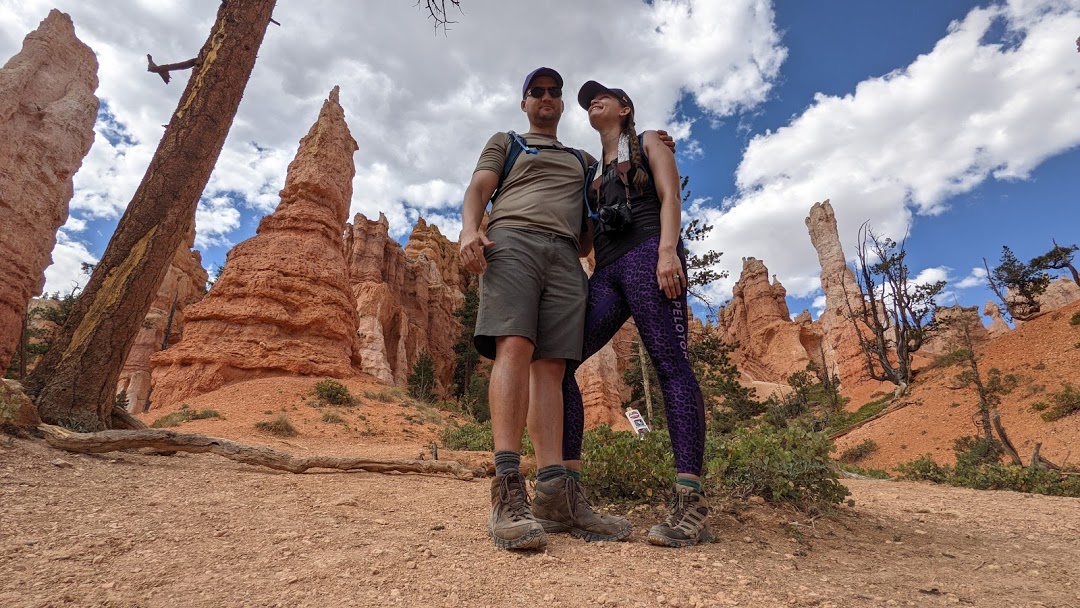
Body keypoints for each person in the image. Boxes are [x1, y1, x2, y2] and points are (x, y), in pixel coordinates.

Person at [458, 67, 635, 550]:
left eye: (554, 91)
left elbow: (609, 192)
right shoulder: (508, 142)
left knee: (553, 368)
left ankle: (555, 496)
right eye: (536, 92)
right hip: (511, 240)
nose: (546, 97)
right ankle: (507, 490)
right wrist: (470, 229)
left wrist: (648, 143)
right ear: (525, 103)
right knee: (514, 346)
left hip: (565, 255)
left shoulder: (582, 160)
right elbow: (478, 188)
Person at [560, 81, 709, 547]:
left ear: (625, 108)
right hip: (606, 271)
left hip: (649, 254)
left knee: (671, 364)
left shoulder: (647, 143)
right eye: (587, 100)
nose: (592, 101)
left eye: (602, 95)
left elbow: (671, 197)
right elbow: (583, 240)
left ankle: (690, 503)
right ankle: (568, 492)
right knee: (560, 362)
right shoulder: (592, 171)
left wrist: (668, 252)